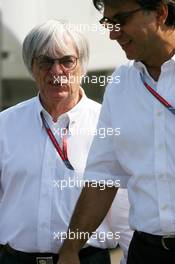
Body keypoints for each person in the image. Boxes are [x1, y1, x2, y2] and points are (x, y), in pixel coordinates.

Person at [0, 19, 132, 264]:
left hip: (88, 259)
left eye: (66, 61)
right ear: (32, 66)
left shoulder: (108, 126)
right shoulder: (5, 125)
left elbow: (125, 213)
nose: (56, 71)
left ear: (81, 65)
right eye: (45, 61)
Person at [57, 1, 175, 264]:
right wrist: (70, 249)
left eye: (120, 20)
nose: (112, 33)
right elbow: (103, 177)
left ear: (160, 12)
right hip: (147, 253)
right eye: (107, 23)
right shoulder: (120, 85)